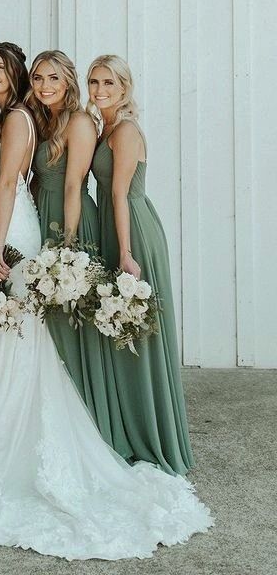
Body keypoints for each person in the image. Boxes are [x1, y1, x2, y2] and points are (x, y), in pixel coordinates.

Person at [0, 43, 212, 560]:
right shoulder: (26, 119)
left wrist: (59, 245)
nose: (44, 85)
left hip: (27, 228)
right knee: (21, 331)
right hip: (25, 223)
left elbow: (54, 186)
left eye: (3, 68)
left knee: (25, 332)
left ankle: (35, 431)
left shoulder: (33, 120)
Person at [89, 54, 194, 476]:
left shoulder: (126, 130)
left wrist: (125, 253)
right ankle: (131, 424)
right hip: (116, 227)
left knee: (137, 330)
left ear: (125, 88)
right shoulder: (107, 126)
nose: (99, 91)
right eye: (94, 83)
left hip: (131, 231)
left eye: (108, 84)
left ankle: (151, 433)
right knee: (121, 330)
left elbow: (119, 194)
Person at [26, 50, 131, 457]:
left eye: (54, 78)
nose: (45, 86)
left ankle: (91, 421)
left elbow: (74, 186)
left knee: (74, 320)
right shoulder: (45, 120)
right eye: (38, 78)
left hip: (71, 223)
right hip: (46, 217)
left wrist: (67, 247)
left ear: (68, 82)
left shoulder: (80, 122)